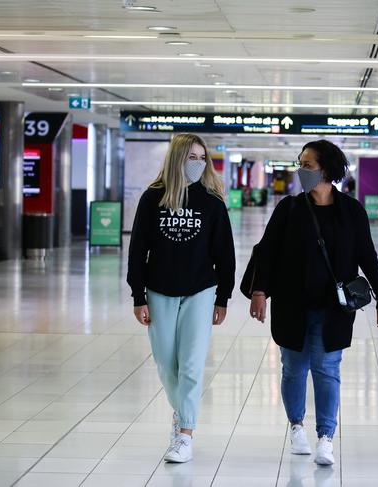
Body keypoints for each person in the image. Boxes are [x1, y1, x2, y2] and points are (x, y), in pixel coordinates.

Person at [247, 140, 378, 466]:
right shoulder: (289, 209)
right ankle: (296, 425)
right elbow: (266, 253)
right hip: (291, 305)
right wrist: (259, 292)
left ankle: (326, 436)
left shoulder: (351, 211)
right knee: (294, 369)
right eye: (301, 163)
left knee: (326, 370)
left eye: (307, 164)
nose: (301, 170)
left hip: (334, 308)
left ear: (326, 169)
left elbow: (367, 256)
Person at [127, 133, 235, 463]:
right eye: (192, 157)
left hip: (200, 290)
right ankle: (182, 412)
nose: (198, 164)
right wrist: (138, 295)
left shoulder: (212, 201)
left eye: (203, 158)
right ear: (177, 159)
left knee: (190, 364)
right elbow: (137, 250)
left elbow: (225, 253)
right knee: (165, 363)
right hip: (159, 289)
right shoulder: (153, 198)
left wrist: (223, 297)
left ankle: (184, 433)